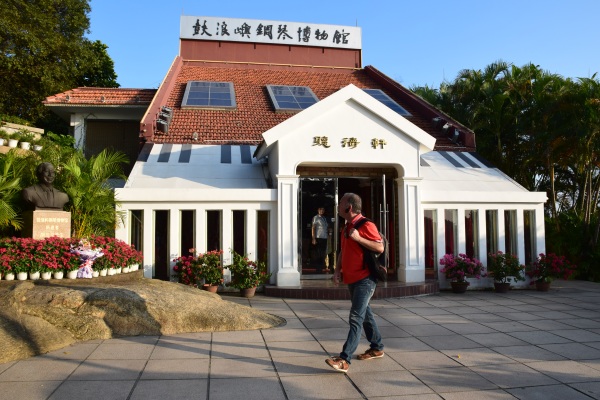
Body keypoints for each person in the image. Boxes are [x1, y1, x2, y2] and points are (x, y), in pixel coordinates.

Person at [325, 193, 384, 373]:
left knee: (355, 317)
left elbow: (379, 247)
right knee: (365, 314)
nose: (338, 204)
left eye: (340, 202)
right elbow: (343, 251)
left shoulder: (366, 225)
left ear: (349, 207)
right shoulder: (346, 227)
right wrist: (337, 270)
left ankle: (344, 359)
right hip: (352, 279)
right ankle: (377, 347)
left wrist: (359, 238)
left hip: (365, 280)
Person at [311, 206, 329, 273]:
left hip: (324, 237)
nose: (322, 211)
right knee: (318, 253)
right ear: (318, 210)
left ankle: (321, 267)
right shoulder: (316, 218)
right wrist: (313, 238)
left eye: (323, 209)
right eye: (320, 209)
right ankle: (318, 268)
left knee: (323, 253)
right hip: (318, 237)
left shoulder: (324, 218)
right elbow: (313, 228)